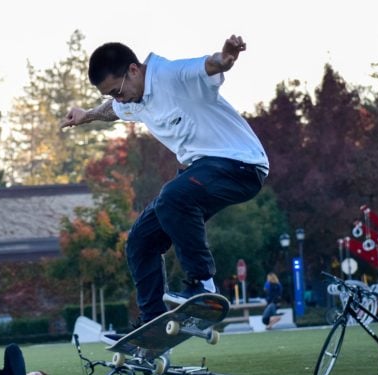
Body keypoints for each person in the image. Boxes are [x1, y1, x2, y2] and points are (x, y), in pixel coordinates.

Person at [61, 35, 269, 327]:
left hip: (241, 165)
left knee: (173, 196)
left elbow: (209, 65)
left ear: (134, 70)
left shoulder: (172, 75)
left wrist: (226, 58)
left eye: (117, 91)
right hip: (203, 171)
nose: (118, 99)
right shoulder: (132, 97)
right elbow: (114, 111)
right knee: (140, 241)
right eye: (110, 94)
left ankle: (203, 285)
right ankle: (153, 325)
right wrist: (87, 115)